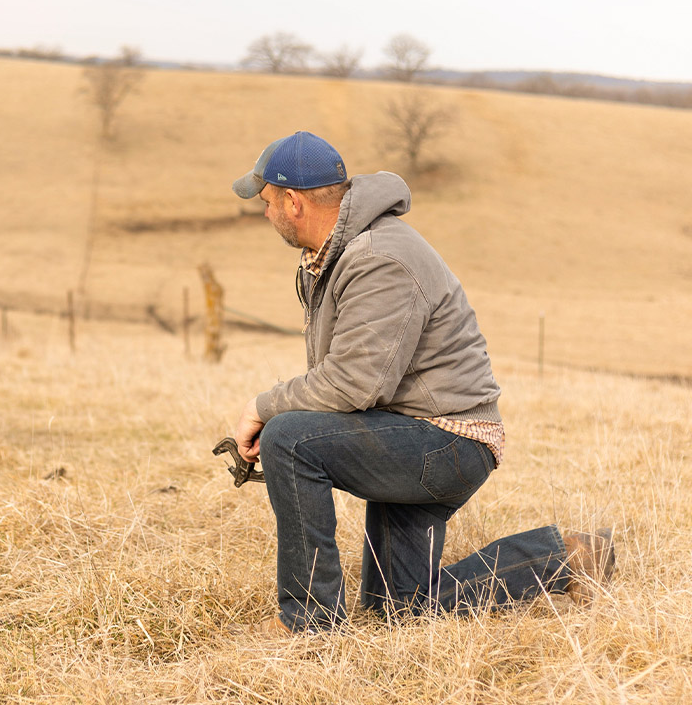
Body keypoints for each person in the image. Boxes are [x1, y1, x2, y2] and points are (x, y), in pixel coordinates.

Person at [229, 131, 615, 634]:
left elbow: (351, 385)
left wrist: (263, 408)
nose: (265, 213)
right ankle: (567, 556)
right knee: (403, 606)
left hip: (447, 440)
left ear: (294, 202)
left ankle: (309, 626)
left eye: (267, 202)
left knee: (290, 438)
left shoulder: (378, 258)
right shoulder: (337, 253)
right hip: (411, 432)